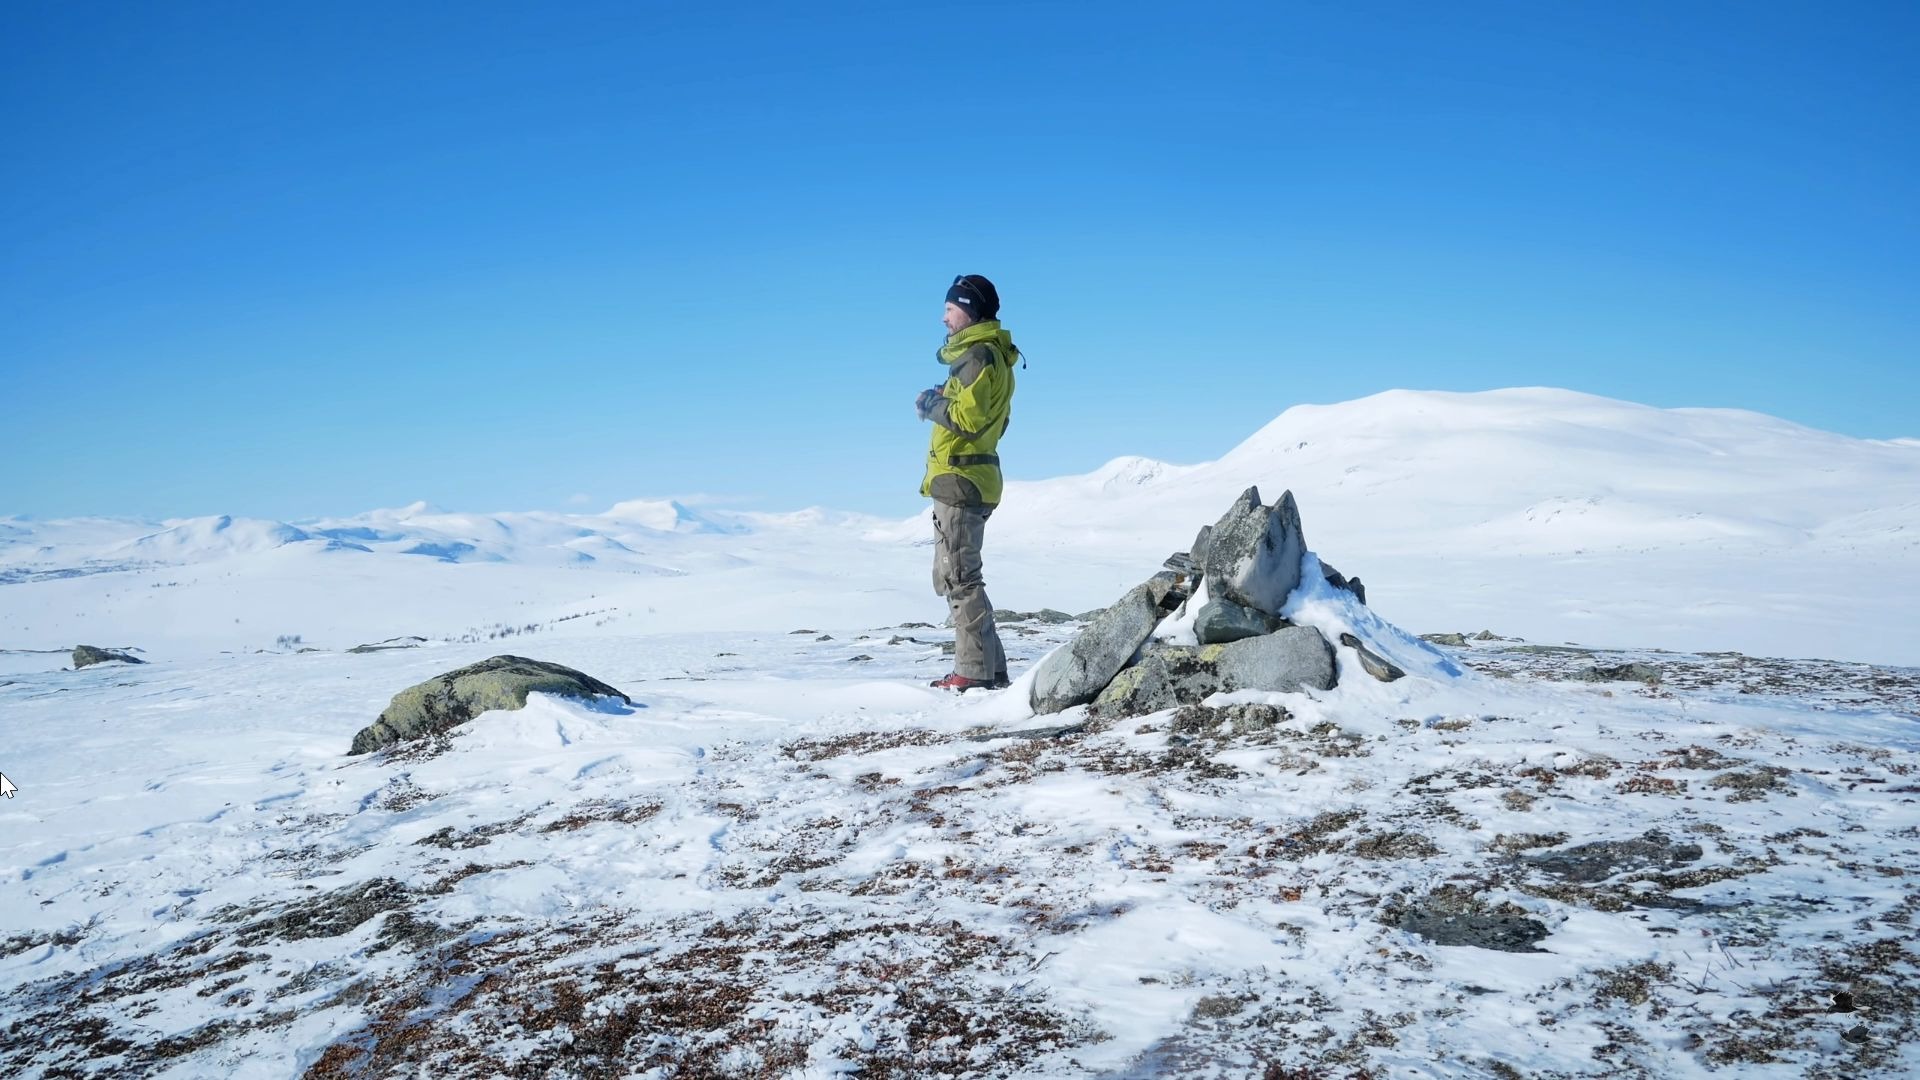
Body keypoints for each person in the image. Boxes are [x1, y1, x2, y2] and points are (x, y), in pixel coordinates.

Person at [916, 273, 1018, 691]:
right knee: (962, 574)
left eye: (949, 308)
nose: (943, 318)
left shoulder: (977, 356)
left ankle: (972, 672)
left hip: (961, 480)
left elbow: (969, 420)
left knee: (959, 577)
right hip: (970, 477)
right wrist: (948, 397)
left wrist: (932, 403)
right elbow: (997, 420)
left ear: (969, 309)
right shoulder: (989, 357)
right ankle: (990, 669)